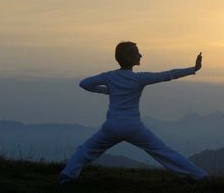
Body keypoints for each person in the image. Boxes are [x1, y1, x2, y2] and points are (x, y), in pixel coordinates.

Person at [59, 41, 208, 184]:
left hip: (112, 126)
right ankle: (199, 176)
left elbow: (84, 83)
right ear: (128, 57)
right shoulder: (138, 78)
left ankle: (67, 176)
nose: (141, 55)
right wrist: (194, 69)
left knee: (85, 150)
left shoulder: (109, 76)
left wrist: (107, 91)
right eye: (137, 52)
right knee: (163, 151)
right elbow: (168, 74)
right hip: (133, 126)